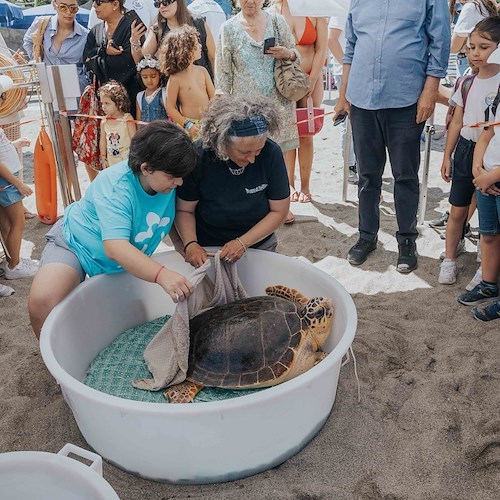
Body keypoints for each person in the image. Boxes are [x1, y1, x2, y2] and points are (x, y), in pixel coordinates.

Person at [28, 121, 199, 339]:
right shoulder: (116, 186)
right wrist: (162, 274)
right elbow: (116, 247)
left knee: (133, 325)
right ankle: (57, 366)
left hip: (122, 260)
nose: (180, 182)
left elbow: (166, 218)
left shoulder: (167, 181)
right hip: (77, 245)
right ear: (146, 168)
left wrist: (181, 245)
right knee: (42, 302)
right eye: (172, 176)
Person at [334, 0, 451, 273]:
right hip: (362, 98)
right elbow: (350, 47)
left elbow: (440, 40)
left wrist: (430, 90)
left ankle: (407, 241)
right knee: (367, 175)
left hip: (406, 97)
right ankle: (366, 236)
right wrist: (343, 95)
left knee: (406, 176)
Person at [175, 94, 290, 267]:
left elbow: (279, 212)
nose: (252, 159)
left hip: (258, 243)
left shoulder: (271, 153)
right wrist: (191, 244)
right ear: (222, 143)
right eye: (244, 153)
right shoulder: (198, 155)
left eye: (257, 151)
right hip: (206, 246)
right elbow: (184, 210)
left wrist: (243, 242)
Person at [439, 17, 500, 285]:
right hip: (465, 149)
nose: (475, 53)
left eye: (484, 47)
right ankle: (450, 258)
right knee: (457, 210)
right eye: (471, 47)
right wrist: (446, 155)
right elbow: (456, 120)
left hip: (492, 155)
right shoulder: (465, 81)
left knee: (488, 216)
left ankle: (483, 266)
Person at [215, 0, 299, 175]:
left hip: (278, 108)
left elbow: (296, 56)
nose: (250, 1)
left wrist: (287, 53)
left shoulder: (277, 22)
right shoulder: (228, 29)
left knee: (276, 164)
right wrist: (224, 113)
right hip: (245, 112)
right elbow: (223, 74)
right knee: (248, 161)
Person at [269, 0, 327, 213]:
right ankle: (289, 184)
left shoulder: (316, 10)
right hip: (285, 81)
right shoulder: (274, 11)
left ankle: (305, 185)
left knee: (306, 134)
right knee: (287, 134)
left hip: (312, 77)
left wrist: (312, 80)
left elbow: (322, 48)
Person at [457, 55, 500, 320]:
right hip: (486, 175)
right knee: (489, 234)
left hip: (492, 177)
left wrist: (490, 175)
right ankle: (488, 284)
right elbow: (488, 131)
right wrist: (477, 168)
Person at [0, 77, 38, 280]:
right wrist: (18, 184)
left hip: (6, 181)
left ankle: (11, 260)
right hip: (7, 181)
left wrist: (14, 144)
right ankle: (14, 265)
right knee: (17, 222)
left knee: (6, 224)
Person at [130, 0, 216, 80]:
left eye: (166, 1)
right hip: (173, 87)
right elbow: (142, 60)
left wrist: (217, 86)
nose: (162, 6)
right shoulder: (158, 29)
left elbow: (213, 58)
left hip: (201, 84)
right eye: (157, 3)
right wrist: (134, 41)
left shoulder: (198, 22)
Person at [83, 0, 143, 115]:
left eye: (99, 2)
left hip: (131, 96)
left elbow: (127, 61)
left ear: (115, 4)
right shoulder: (95, 31)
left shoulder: (132, 27)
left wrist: (98, 58)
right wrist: (103, 51)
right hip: (104, 102)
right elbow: (86, 59)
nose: (94, 6)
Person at [160, 25, 215, 141]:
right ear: (185, 50)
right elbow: (170, 108)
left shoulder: (202, 71)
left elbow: (214, 98)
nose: (200, 46)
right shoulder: (175, 79)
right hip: (190, 127)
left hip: (208, 123)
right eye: (196, 44)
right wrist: (187, 124)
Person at [23, 0, 89, 93]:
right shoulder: (42, 24)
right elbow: (28, 41)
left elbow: (88, 65)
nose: (68, 12)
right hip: (49, 87)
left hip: (76, 90)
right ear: (54, 5)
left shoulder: (85, 35)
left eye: (73, 8)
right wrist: (37, 61)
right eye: (63, 7)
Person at [327, 0, 357, 184]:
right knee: (348, 118)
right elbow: (332, 40)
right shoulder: (343, 5)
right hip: (345, 71)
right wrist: (348, 66)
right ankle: (350, 164)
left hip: (359, 71)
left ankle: (356, 163)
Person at [449, 0, 497, 76]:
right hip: (486, 61)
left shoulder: (471, 7)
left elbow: (453, 48)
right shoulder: (487, 4)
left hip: (470, 62)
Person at [135, 56, 168, 122]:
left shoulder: (165, 93)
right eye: (145, 77)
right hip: (146, 132)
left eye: (153, 76)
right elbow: (139, 121)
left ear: (160, 75)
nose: (149, 80)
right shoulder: (139, 96)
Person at [88, 0, 158, 31]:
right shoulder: (99, 7)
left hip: (142, 56)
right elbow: (93, 39)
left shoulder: (147, 2)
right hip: (111, 57)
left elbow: (158, 29)